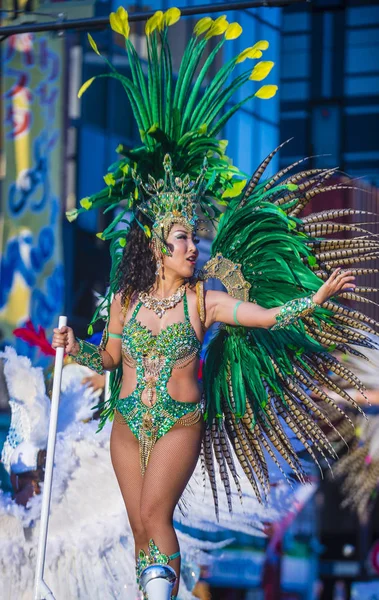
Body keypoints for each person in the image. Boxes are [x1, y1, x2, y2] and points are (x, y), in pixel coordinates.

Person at [52, 8, 379, 599]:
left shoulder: (204, 300)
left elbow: (264, 315)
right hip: (126, 425)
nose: (192, 244)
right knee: (138, 530)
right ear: (156, 247)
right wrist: (76, 350)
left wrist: (315, 298)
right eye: (181, 238)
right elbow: (109, 361)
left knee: (158, 517)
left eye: (193, 238)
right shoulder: (126, 298)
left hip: (179, 423)